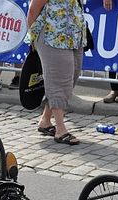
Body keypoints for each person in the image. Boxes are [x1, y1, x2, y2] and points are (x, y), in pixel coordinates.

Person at [27, 0, 86, 145]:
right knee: (59, 80)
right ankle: (60, 130)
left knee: (71, 77)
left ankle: (45, 121)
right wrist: (31, 33)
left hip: (74, 33)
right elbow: (35, 6)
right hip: (51, 33)